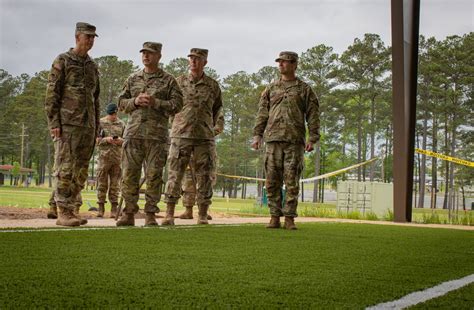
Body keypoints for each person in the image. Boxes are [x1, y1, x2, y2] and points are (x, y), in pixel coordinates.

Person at [116, 42, 183, 227]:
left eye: (150, 53)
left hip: (157, 136)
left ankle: (150, 214)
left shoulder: (169, 81)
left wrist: (156, 102)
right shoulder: (133, 78)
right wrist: (135, 101)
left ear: (159, 56)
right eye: (144, 53)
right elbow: (121, 103)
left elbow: (178, 105)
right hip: (134, 133)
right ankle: (128, 213)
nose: (146, 56)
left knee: (154, 176)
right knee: (129, 175)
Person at [251, 51, 320, 230]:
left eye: (285, 62)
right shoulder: (271, 89)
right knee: (272, 181)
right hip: (273, 140)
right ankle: (274, 216)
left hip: (294, 141)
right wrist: (257, 135)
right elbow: (262, 114)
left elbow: (313, 115)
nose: (281, 64)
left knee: (291, 181)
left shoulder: (304, 89)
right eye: (279, 62)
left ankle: (289, 218)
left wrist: (312, 137)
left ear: (294, 65)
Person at [44, 22, 100, 226]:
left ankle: (71, 207)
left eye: (93, 37)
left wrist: (96, 126)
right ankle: (63, 212)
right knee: (65, 168)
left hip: (87, 127)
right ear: (77, 37)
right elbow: (52, 94)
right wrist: (54, 122)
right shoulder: (63, 61)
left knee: (81, 170)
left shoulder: (92, 66)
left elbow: (96, 98)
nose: (91, 41)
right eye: (88, 37)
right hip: (67, 125)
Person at [163, 48, 223, 225]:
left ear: (205, 62)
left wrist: (214, 127)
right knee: (175, 174)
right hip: (181, 135)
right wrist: (173, 127)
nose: (194, 61)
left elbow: (218, 110)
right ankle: (169, 213)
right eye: (191, 58)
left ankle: (202, 214)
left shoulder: (212, 85)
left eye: (198, 59)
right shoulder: (178, 82)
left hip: (204, 137)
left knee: (205, 176)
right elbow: (170, 107)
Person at [178, 106, 224, 220]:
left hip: (205, 147)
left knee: (205, 179)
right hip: (188, 146)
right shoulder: (186, 105)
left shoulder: (214, 108)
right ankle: (188, 210)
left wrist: (203, 133)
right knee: (188, 180)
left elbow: (219, 127)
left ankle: (203, 210)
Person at [96, 103, 125, 218]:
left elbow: (126, 140)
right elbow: (97, 140)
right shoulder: (101, 123)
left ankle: (114, 208)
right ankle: (101, 207)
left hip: (117, 159)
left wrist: (120, 141)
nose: (113, 116)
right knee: (102, 184)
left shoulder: (121, 124)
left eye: (114, 114)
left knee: (115, 185)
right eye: (111, 114)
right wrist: (106, 140)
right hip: (104, 159)